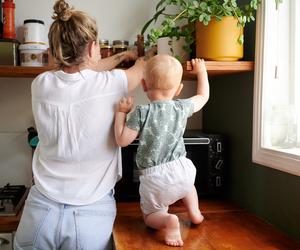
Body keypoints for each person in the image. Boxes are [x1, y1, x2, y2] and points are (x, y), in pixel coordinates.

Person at [14, 0, 147, 249]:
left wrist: (118, 56)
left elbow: (79, 72)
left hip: (40, 209)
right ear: (92, 47)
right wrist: (139, 57)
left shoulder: (41, 85)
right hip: (90, 212)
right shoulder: (112, 83)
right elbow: (140, 69)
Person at [114, 55, 210, 247]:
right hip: (183, 171)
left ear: (143, 85)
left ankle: (168, 221)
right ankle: (195, 214)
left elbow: (122, 140)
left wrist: (121, 113)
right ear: (179, 89)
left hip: (155, 179)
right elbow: (203, 97)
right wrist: (201, 72)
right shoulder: (181, 107)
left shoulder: (141, 112)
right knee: (188, 186)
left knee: (150, 216)